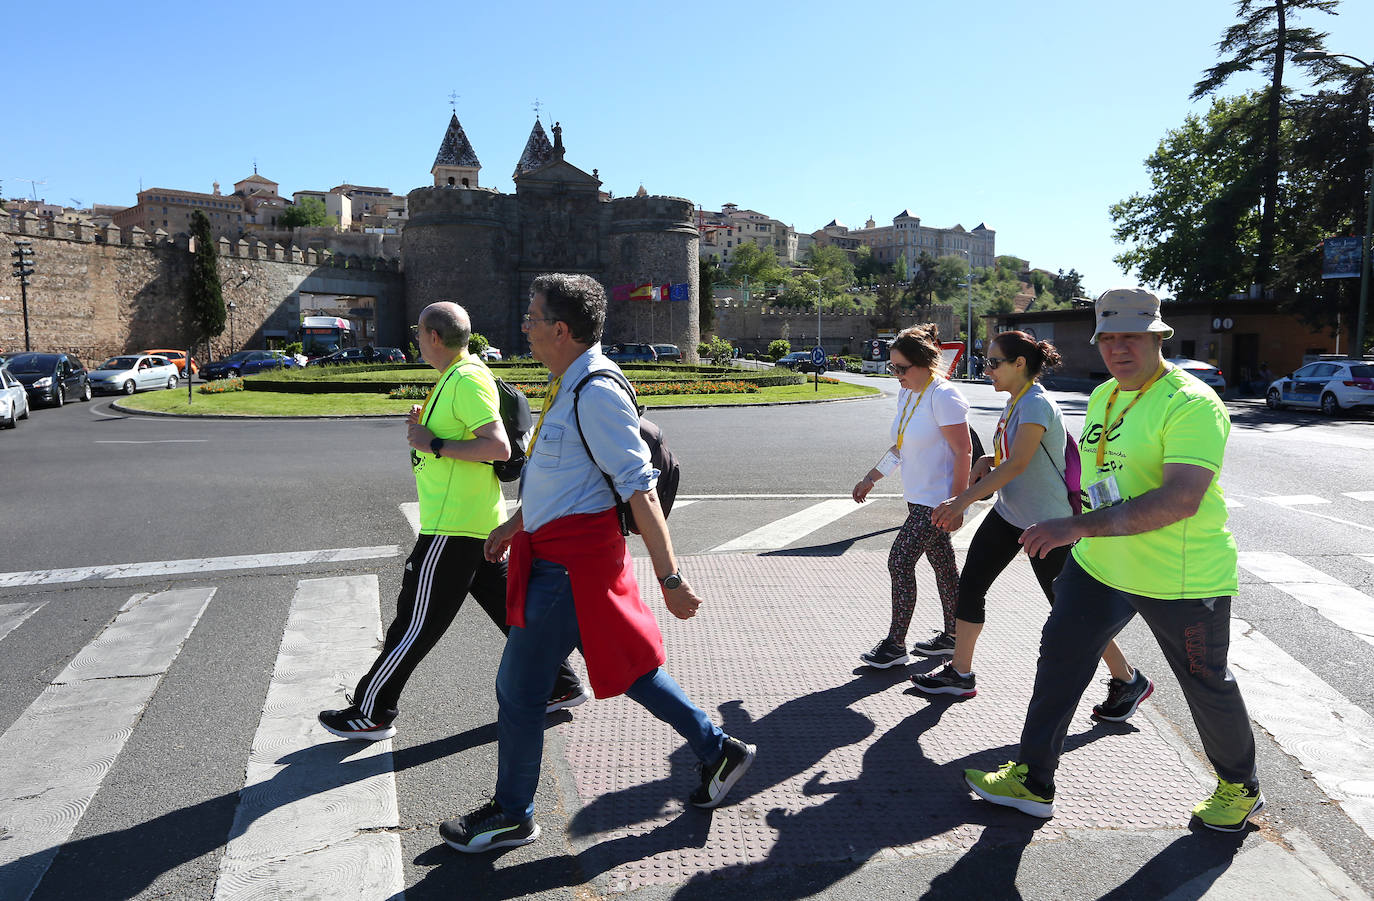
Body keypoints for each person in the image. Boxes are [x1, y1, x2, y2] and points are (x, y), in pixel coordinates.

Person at [440, 274, 755, 853]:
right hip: (558, 556)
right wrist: (515, 525)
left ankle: (512, 813)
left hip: (570, 570)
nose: (525, 326)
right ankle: (718, 750)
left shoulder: (596, 391)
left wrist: (671, 578)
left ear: (561, 330)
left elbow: (640, 490)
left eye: (533, 317)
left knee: (517, 689)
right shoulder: (568, 382)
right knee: (628, 669)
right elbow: (566, 480)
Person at [964, 288, 1263, 833]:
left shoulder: (1190, 402)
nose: (1119, 348)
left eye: (1133, 336)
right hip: (1101, 564)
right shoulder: (1104, 395)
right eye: (1110, 338)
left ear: (1157, 338)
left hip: (1181, 575)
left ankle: (1240, 786)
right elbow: (1103, 477)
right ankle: (1033, 780)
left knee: (1205, 681)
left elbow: (1181, 498)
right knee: (1060, 657)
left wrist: (1071, 525)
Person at [317, 302, 586, 742]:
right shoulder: (456, 376)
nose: (417, 338)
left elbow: (497, 447)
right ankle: (559, 684)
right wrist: (425, 433)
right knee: (511, 615)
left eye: (418, 332)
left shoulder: (463, 378)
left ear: (433, 337)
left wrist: (433, 441)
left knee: (413, 623)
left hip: (453, 527)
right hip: (473, 524)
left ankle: (372, 710)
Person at [916, 331, 1151, 718]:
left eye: (993, 362)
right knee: (971, 583)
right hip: (1010, 516)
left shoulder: (1037, 404)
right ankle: (960, 673)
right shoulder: (1016, 403)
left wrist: (961, 500)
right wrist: (987, 460)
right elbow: (1014, 455)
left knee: (1069, 610)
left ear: (1019, 364)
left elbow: (1020, 463)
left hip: (1049, 524)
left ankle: (1128, 680)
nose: (985, 369)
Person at [852, 324, 971, 668]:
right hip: (918, 499)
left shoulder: (943, 396)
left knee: (900, 561)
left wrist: (958, 503)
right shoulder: (908, 393)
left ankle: (895, 645)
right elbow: (901, 444)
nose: (896, 375)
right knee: (944, 567)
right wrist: (871, 477)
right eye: (892, 367)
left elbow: (963, 451)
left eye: (901, 369)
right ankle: (953, 636)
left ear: (925, 365)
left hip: (937, 503)